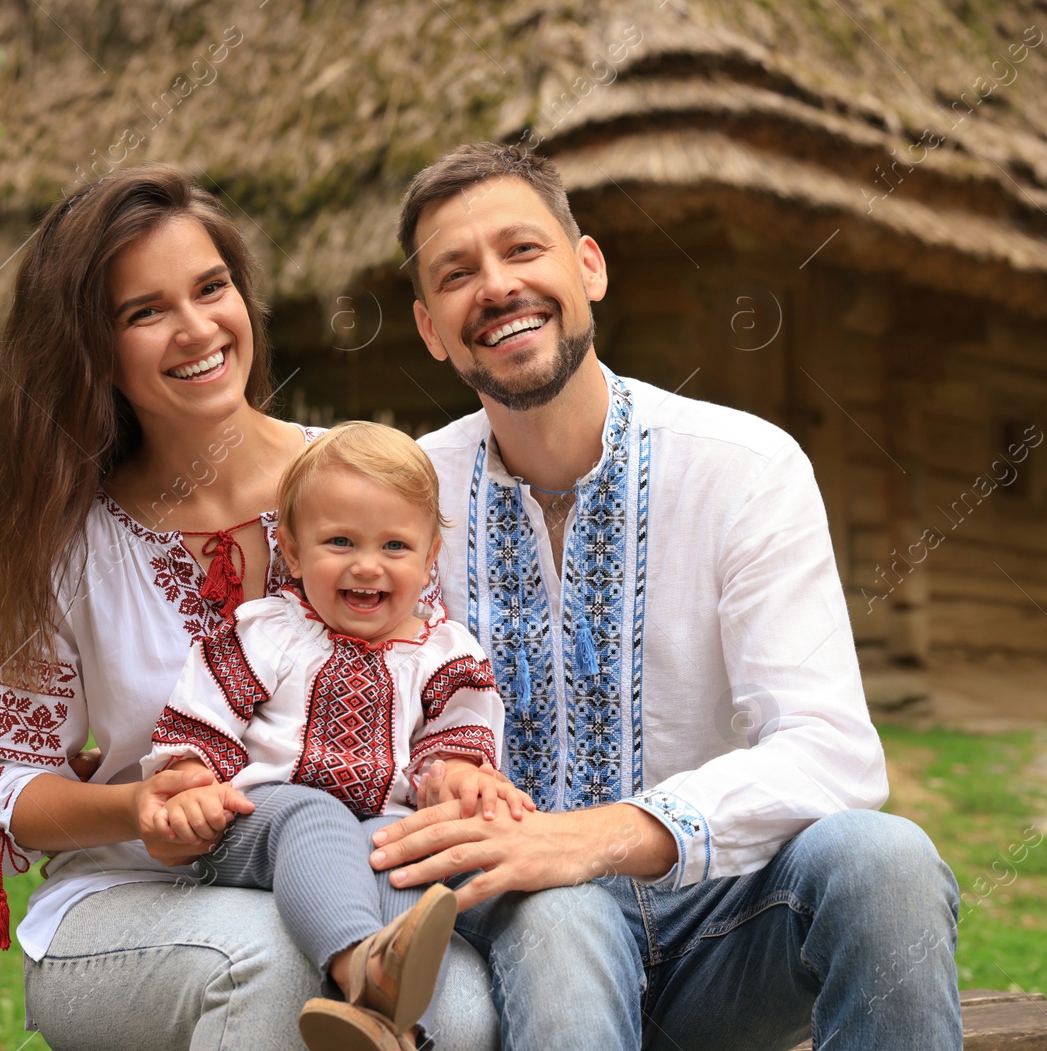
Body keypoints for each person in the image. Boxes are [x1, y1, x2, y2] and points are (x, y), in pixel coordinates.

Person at [0, 162, 608, 1051]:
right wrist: (139, 806)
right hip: (127, 898)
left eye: (211, 287)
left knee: (456, 1011)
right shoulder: (62, 544)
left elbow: (440, 674)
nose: (196, 328)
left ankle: (360, 955)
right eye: (145, 312)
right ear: (92, 346)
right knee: (261, 961)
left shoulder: (365, 479)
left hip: (371, 872)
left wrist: (457, 777)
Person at [366, 142, 964, 1050]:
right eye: (457, 273)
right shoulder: (405, 500)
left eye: (523, 250)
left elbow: (834, 754)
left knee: (886, 859)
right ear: (430, 328)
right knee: (558, 910)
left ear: (589, 267)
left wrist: (601, 835)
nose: (495, 286)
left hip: (727, 928)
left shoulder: (746, 468)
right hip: (516, 938)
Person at [142, 421, 532, 1051]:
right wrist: (189, 782)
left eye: (396, 546)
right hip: (255, 824)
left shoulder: (443, 652)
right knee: (313, 811)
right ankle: (360, 968)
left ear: (432, 557)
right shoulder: (270, 632)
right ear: (293, 553)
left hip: (372, 832)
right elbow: (200, 720)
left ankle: (386, 1028)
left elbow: (456, 743)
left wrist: (458, 778)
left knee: (401, 847)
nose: (367, 565)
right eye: (340, 541)